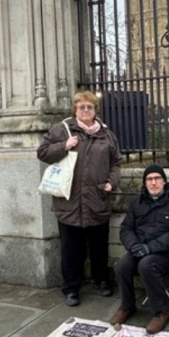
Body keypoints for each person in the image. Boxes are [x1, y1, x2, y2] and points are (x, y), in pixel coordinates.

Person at [37, 91, 121, 306]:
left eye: (89, 107)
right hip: (69, 203)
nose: (85, 110)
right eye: (81, 107)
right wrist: (64, 146)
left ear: (96, 110)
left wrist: (112, 181)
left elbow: (116, 163)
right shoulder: (62, 130)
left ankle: (101, 280)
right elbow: (42, 152)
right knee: (71, 249)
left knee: (99, 247)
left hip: (97, 199)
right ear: (75, 109)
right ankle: (71, 288)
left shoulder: (107, 134)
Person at [112, 165, 169, 334]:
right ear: (145, 183)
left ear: (164, 181)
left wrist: (150, 247)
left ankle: (162, 312)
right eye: (149, 179)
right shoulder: (137, 201)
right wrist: (133, 246)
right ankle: (127, 306)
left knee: (146, 265)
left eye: (157, 178)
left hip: (167, 254)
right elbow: (126, 228)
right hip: (140, 249)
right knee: (121, 266)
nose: (153, 183)